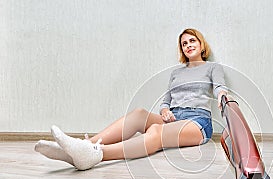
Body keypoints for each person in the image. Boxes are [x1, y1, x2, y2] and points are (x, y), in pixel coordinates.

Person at [34, 28, 228, 170]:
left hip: (197, 122)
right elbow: (166, 100)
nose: (188, 46)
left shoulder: (212, 68)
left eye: (192, 41)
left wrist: (222, 96)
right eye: (184, 43)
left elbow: (220, 87)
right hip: (173, 117)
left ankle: (96, 154)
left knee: (155, 131)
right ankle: (83, 147)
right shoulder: (177, 73)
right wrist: (164, 111)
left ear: (201, 44)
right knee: (138, 114)